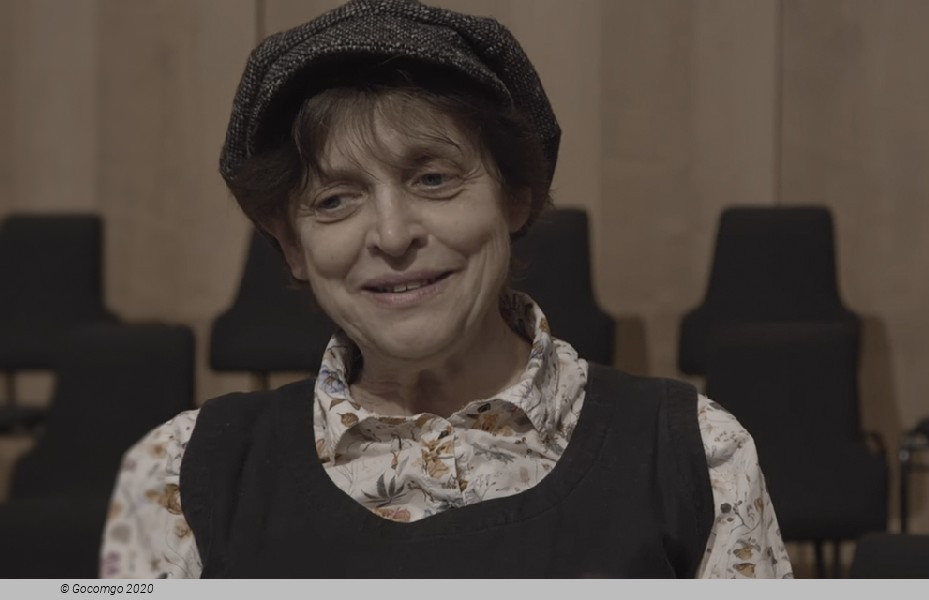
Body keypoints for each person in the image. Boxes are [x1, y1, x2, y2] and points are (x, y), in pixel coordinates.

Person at [101, 0, 791, 578]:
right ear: (293, 247)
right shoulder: (181, 473)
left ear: (516, 198)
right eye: (336, 199)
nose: (392, 234)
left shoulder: (696, 456)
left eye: (433, 179)